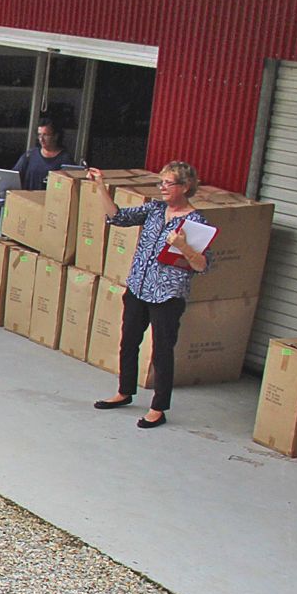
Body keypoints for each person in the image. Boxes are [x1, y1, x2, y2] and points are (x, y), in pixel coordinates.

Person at [92, 161, 211, 430]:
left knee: (161, 350)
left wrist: (183, 245)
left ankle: (159, 407)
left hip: (167, 295)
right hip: (138, 287)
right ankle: (124, 391)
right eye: (161, 183)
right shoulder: (155, 210)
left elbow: (202, 265)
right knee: (129, 341)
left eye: (168, 183)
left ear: (186, 186)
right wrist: (100, 186)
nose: (163, 188)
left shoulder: (196, 222)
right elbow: (117, 217)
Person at [13, 118, 82, 191]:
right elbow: (14, 176)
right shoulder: (30, 155)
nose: (41, 139)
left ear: (55, 136)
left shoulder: (65, 159)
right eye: (39, 135)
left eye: (45, 135)